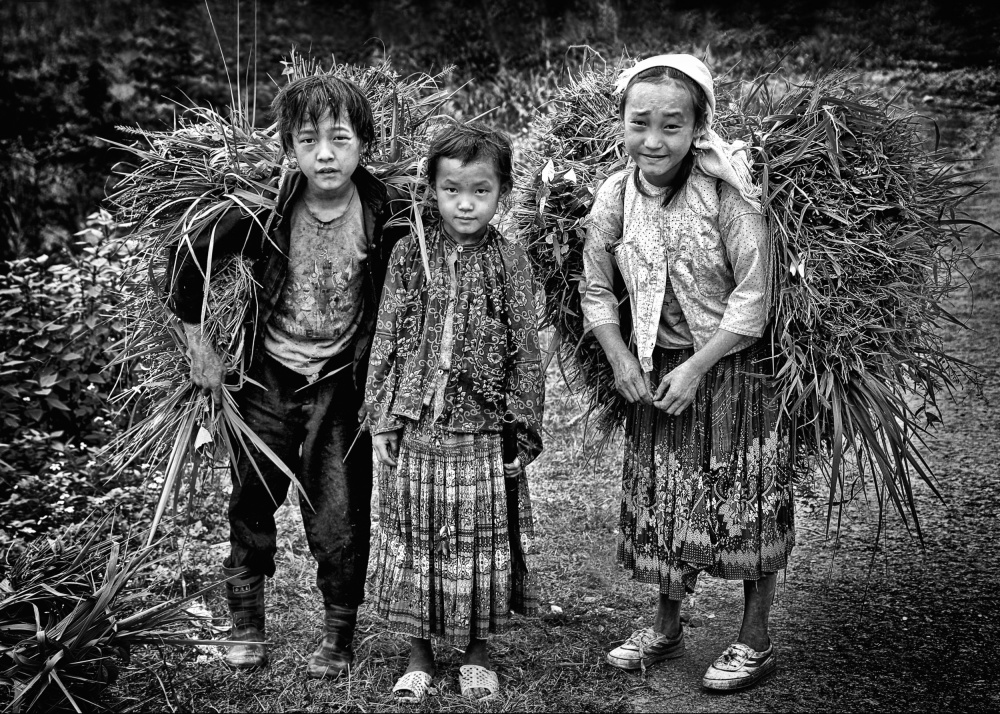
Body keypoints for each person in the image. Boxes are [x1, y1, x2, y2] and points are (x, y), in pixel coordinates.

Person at [166, 74, 407, 677]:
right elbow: (185, 260)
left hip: (339, 383)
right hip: (266, 377)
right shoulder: (263, 210)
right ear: (289, 149)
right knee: (250, 497)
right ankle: (246, 623)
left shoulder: (387, 215)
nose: (325, 154)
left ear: (365, 145)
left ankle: (337, 632)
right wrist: (200, 346)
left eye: (340, 139)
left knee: (341, 508)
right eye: (309, 140)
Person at [580, 54, 794, 692]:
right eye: (639, 122)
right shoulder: (615, 194)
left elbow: (756, 295)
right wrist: (619, 357)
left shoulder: (727, 193)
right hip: (654, 367)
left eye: (671, 126)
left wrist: (701, 366)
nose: (653, 139)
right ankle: (666, 627)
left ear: (698, 127)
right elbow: (594, 288)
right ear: (620, 123)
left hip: (733, 368)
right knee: (663, 499)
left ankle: (754, 639)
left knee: (745, 495)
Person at [365, 122, 544, 703]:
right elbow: (388, 332)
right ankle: (418, 656)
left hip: (483, 429)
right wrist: (383, 415)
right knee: (417, 540)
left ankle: (476, 655)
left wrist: (522, 428)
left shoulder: (510, 261)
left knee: (477, 545)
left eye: (481, 190)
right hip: (419, 425)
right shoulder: (407, 253)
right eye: (451, 190)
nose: (465, 204)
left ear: (504, 193)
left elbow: (525, 349)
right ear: (431, 189)